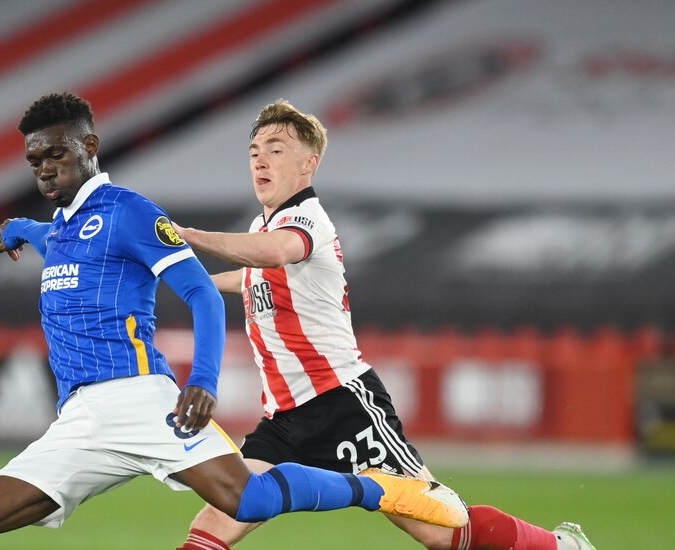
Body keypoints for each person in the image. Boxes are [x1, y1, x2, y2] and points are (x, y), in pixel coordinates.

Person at [0, 92, 468, 550]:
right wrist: (19, 228)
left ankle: (377, 489)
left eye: (55, 153)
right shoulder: (65, 227)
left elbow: (203, 298)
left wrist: (203, 382)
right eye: (35, 159)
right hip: (79, 418)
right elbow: (51, 237)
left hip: (142, 397)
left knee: (247, 499)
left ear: (89, 147)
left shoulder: (129, 211)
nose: (44, 166)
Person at [171, 99, 596, 550]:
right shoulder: (263, 225)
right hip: (284, 418)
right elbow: (253, 273)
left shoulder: (304, 220)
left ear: (309, 163)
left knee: (440, 526)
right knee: (219, 517)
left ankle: (559, 547)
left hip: (342, 405)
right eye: (254, 149)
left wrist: (187, 238)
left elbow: (274, 253)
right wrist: (192, 283)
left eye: (275, 148)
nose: (259, 158)